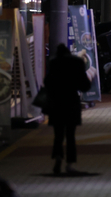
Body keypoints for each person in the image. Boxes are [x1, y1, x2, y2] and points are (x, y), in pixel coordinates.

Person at [45, 43, 91, 175]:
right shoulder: (76, 63)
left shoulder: (54, 63)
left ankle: (58, 158)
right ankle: (70, 164)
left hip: (56, 102)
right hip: (71, 101)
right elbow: (84, 85)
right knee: (71, 135)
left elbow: (48, 82)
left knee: (58, 135)